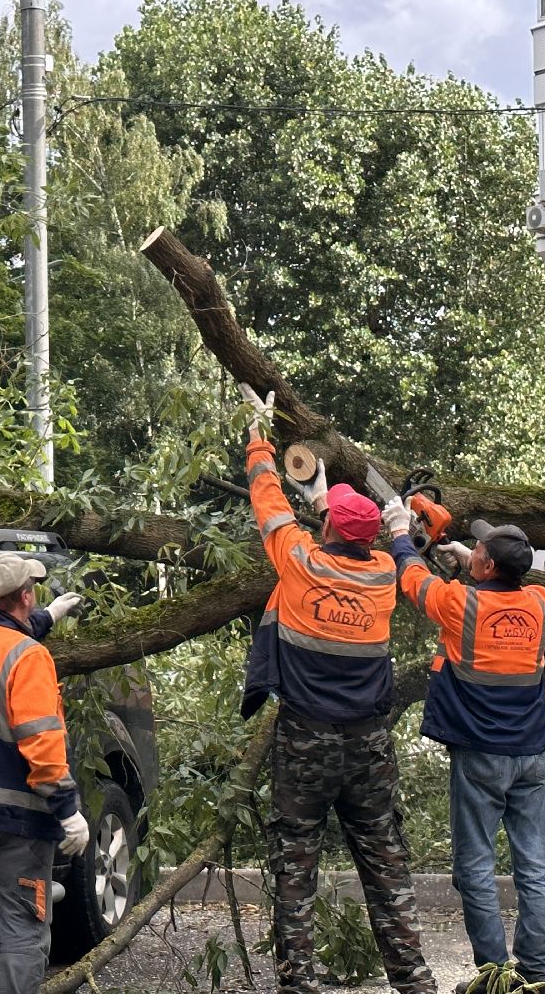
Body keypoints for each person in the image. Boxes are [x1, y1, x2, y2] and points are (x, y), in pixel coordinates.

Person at [237, 385, 437, 994]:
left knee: (296, 861)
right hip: (369, 746)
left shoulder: (299, 561)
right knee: (383, 856)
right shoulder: (383, 575)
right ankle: (413, 980)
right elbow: (386, 550)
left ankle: (298, 982)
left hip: (305, 741)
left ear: (325, 527)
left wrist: (258, 435)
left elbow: (268, 500)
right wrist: (391, 526)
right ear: (371, 538)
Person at [381, 501, 545, 994]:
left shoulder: (462, 604)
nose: (473, 549)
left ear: (489, 565)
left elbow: (413, 579)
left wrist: (399, 531)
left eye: (478, 548)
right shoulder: (540, 602)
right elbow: (505, 592)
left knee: (475, 866)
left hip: (481, 755)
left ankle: (494, 973)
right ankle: (535, 976)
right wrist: (465, 558)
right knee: (533, 869)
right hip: (531, 754)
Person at [0, 552, 88, 994]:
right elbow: (41, 742)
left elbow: (1, 643)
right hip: (20, 819)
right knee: (25, 931)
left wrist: (50, 615)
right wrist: (68, 811)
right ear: (25, 595)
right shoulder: (30, 658)